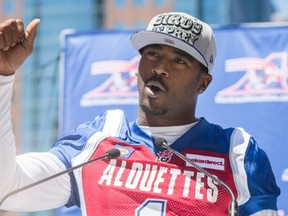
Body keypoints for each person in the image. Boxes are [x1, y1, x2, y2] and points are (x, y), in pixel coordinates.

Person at [0, 12, 280, 216]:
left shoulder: (238, 153)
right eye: (153, 54)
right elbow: (7, 189)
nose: (160, 67)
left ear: (203, 82)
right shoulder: (98, 140)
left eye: (179, 60)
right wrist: (2, 76)